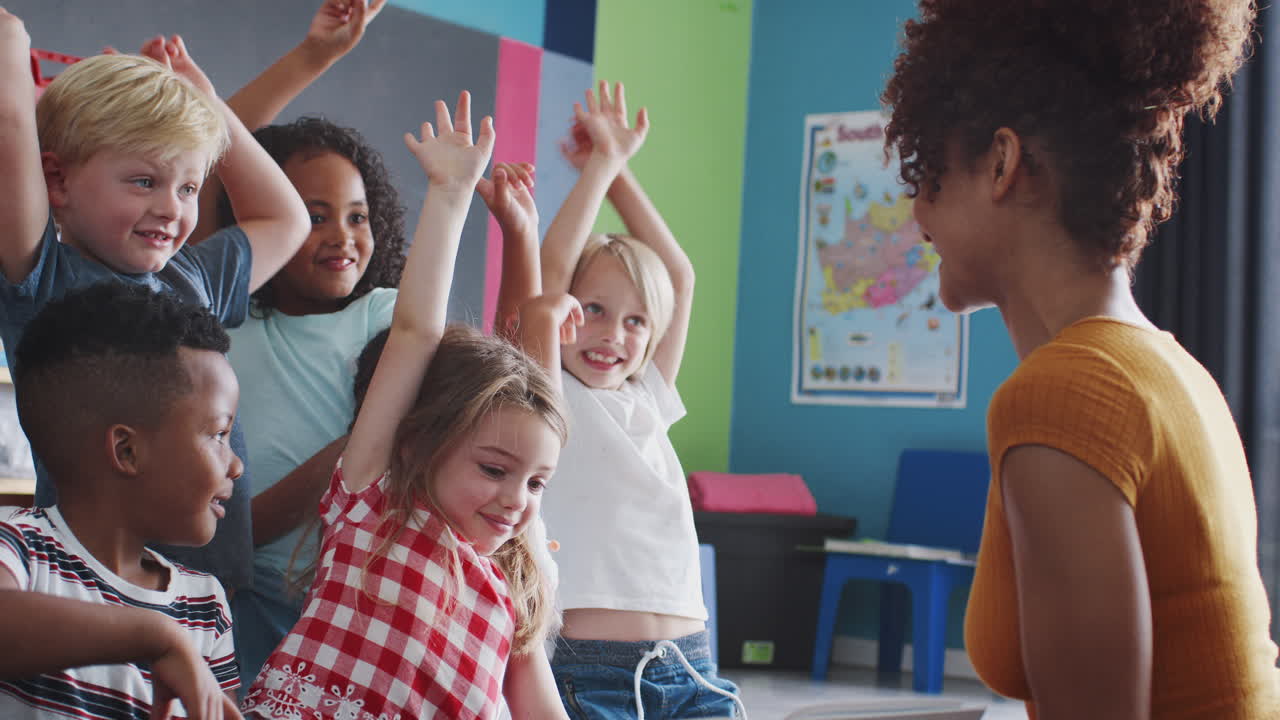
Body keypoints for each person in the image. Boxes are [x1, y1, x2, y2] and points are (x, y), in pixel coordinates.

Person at [880, 1, 1280, 717]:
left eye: (930, 173)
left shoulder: (1062, 393)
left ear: (1002, 163)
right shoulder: (1173, 370)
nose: (918, 213)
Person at [203, 1, 544, 688]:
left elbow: (507, 377)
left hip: (372, 591)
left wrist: (519, 237)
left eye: (357, 216)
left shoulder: (383, 315)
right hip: (257, 594)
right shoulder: (229, 320)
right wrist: (315, 55)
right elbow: (212, 159)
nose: (342, 236)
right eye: (314, 215)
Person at [241, 91, 573, 720]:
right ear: (416, 443)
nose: (516, 500)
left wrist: (525, 247)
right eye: (494, 470)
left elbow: (539, 706)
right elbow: (417, 331)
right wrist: (450, 194)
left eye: (536, 483)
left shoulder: (511, 586)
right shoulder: (372, 512)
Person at [0, 11, 311, 595]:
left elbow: (285, 220)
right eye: (144, 181)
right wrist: (12, 39)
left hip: (211, 599)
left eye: (189, 187)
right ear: (58, 183)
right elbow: (10, 117)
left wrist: (209, 102)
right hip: (89, 587)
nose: (173, 208)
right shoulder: (42, 280)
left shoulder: (189, 279)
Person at [535, 81, 744, 719]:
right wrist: (598, 166)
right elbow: (552, 265)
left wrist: (620, 166)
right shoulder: (543, 390)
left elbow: (679, 276)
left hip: (692, 663)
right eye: (593, 309)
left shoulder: (647, 394)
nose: (611, 335)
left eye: (634, 322)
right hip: (584, 668)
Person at [0, 283, 244, 720]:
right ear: (127, 451)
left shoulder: (206, 607)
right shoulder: (19, 549)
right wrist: (156, 636)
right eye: (219, 435)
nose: (237, 465)